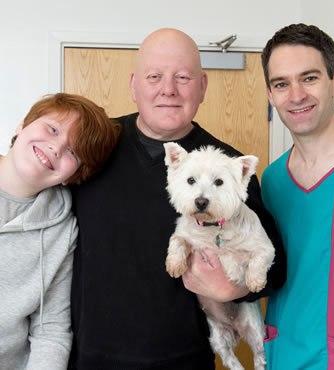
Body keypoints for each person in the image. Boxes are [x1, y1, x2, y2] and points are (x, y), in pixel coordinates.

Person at [68, 28, 286, 370]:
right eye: (154, 76)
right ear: (133, 84)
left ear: (202, 86)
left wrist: (235, 290)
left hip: (184, 360)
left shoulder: (229, 169)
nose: (168, 89)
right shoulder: (91, 147)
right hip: (85, 358)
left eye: (182, 77)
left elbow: (276, 268)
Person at [261, 23, 334, 369]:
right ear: (270, 94)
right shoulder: (272, 180)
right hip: (284, 353)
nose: (296, 95)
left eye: (309, 78)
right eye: (282, 84)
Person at [0, 93, 120, 370]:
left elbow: (50, 330)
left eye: (73, 152)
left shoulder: (63, 230)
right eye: (52, 129)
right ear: (22, 125)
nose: (56, 147)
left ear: (73, 177)